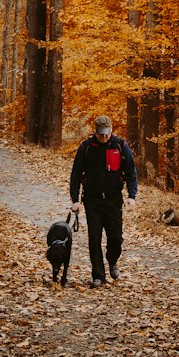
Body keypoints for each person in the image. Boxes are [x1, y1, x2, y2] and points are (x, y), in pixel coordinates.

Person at [69, 115, 138, 287]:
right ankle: (98, 275)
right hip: (92, 201)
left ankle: (112, 260)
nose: (104, 137)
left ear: (111, 130)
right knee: (94, 238)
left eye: (107, 133)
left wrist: (131, 196)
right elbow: (76, 174)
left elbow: (131, 172)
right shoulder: (86, 147)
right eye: (101, 134)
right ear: (95, 131)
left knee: (115, 238)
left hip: (114, 200)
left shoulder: (120, 146)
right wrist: (75, 200)